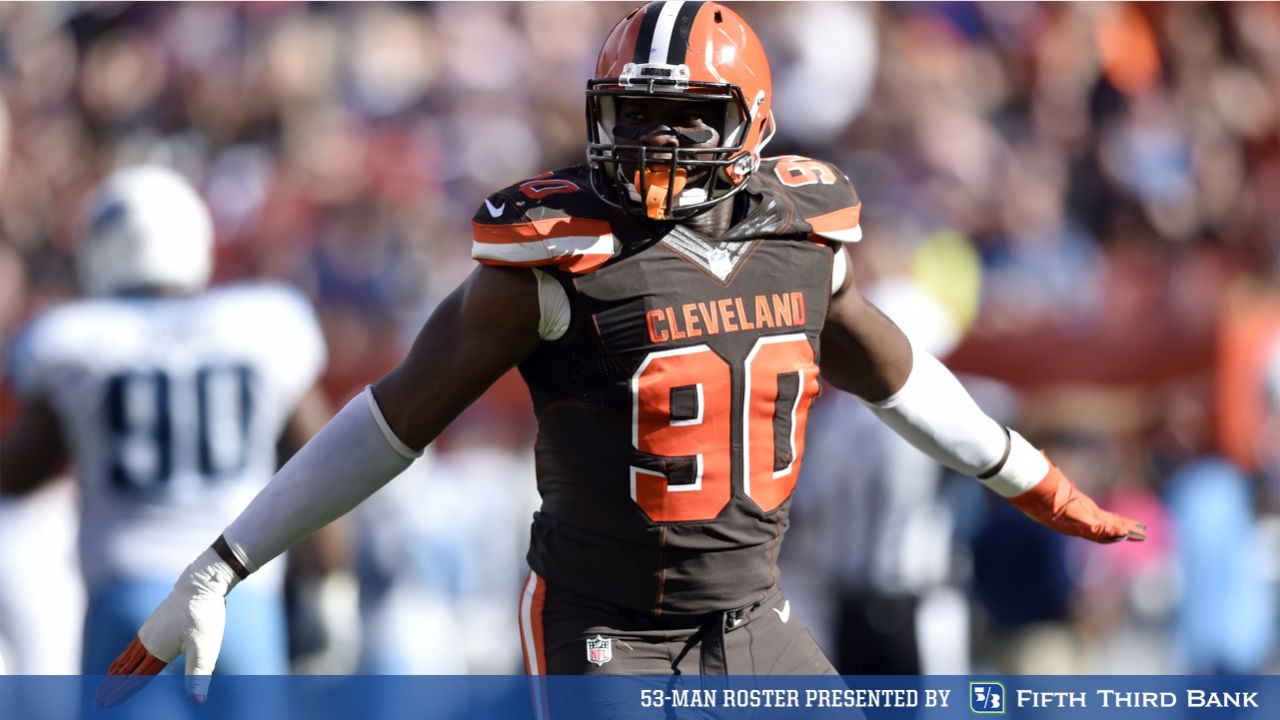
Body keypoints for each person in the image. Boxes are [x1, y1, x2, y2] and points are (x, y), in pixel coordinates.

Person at [101, 1, 1144, 695]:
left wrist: (1029, 477)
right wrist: (227, 559)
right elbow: (392, 418)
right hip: (607, 632)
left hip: (755, 620)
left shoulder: (800, 240)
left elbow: (890, 371)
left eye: (681, 118)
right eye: (631, 116)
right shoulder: (553, 262)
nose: (649, 144)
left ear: (748, 127)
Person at [0, 164, 332, 676]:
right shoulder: (265, 325)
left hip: (130, 599)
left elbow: (21, 472)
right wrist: (329, 584)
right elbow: (322, 465)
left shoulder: (75, 339)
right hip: (242, 600)